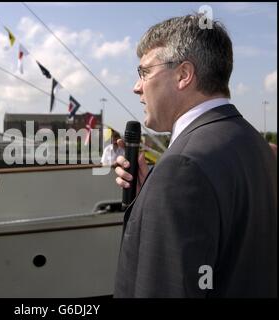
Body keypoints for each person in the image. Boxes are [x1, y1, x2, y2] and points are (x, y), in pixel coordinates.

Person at [114, 14, 277, 298]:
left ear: (183, 75)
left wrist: (165, 187)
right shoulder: (255, 145)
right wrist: (151, 196)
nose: (136, 87)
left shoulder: (182, 166)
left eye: (144, 72)